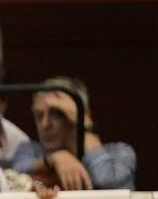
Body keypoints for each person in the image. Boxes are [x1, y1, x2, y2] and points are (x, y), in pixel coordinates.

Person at [8, 77, 136, 191]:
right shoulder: (30, 150)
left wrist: (84, 123)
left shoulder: (120, 152)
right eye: (39, 115)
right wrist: (54, 158)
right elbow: (13, 178)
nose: (44, 125)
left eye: (57, 114)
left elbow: (109, 182)